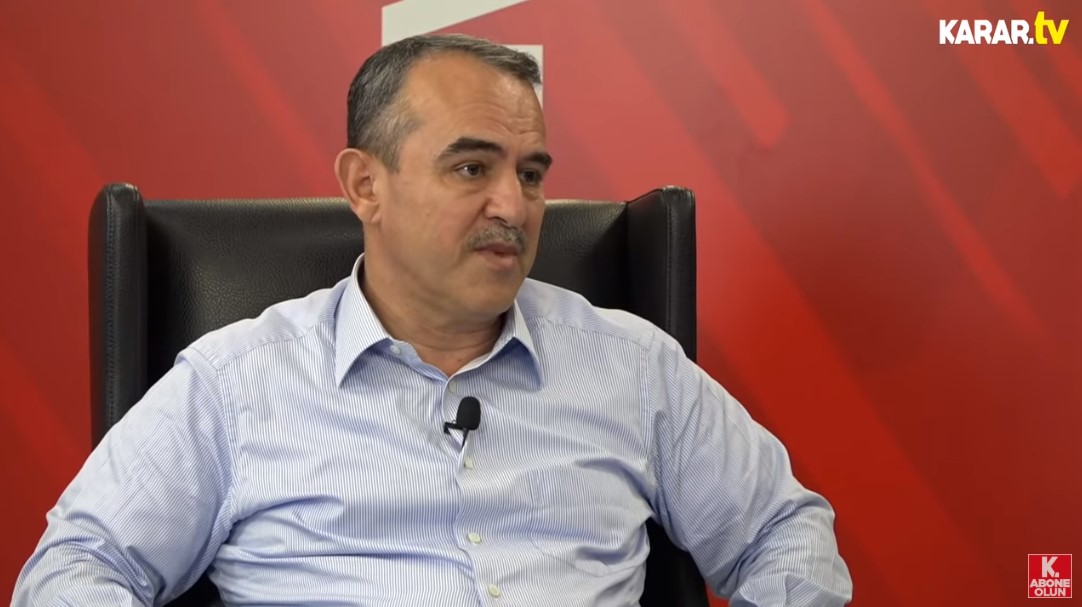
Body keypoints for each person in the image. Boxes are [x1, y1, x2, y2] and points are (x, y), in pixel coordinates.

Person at [13, 34, 852, 606]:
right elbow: (75, 568)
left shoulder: (630, 364)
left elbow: (785, 530)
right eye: (471, 167)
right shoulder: (234, 383)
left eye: (531, 173)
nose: (513, 206)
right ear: (364, 185)